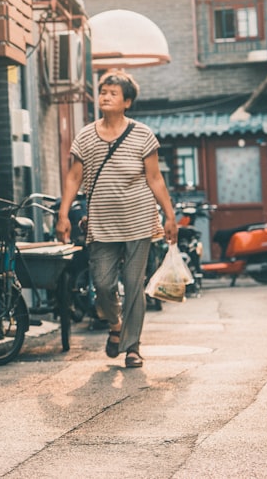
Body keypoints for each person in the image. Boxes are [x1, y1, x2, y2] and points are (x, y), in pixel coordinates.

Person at [56, 70, 177, 369]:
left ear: (127, 102)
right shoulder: (85, 135)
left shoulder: (142, 134)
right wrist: (63, 214)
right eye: (103, 92)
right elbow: (74, 176)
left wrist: (170, 216)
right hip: (101, 222)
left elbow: (155, 178)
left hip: (138, 220)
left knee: (134, 284)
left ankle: (133, 347)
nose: (105, 97)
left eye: (112, 93)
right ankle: (115, 323)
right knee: (103, 283)